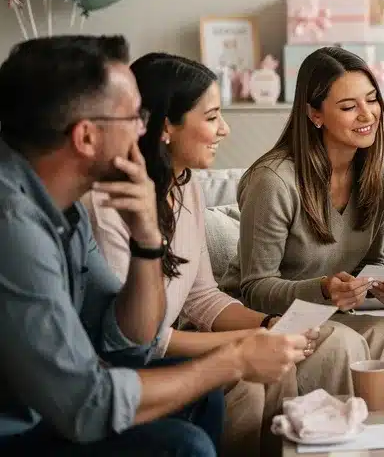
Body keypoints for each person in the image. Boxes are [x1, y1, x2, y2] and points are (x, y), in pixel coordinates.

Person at [0, 36, 305, 456]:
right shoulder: (14, 227)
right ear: (86, 137)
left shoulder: (61, 207)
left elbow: (128, 341)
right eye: (132, 117)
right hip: (20, 429)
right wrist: (231, 360)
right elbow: (84, 404)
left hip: (55, 409)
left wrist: (147, 240)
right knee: (184, 445)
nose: (144, 129)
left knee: (203, 396)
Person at [82, 53, 329, 457]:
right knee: (246, 379)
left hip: (156, 347)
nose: (225, 130)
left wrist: (269, 324)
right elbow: (143, 340)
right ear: (166, 126)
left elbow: (201, 297)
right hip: (119, 365)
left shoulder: (185, 186)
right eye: (212, 117)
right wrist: (246, 342)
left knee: (277, 367)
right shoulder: (108, 203)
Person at [220, 46, 384, 394]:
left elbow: (372, 260)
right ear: (315, 114)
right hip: (265, 321)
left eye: (371, 100)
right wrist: (324, 288)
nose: (367, 114)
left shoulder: (382, 169)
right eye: (348, 106)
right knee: (341, 342)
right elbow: (254, 289)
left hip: (327, 316)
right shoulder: (273, 181)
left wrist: (376, 284)